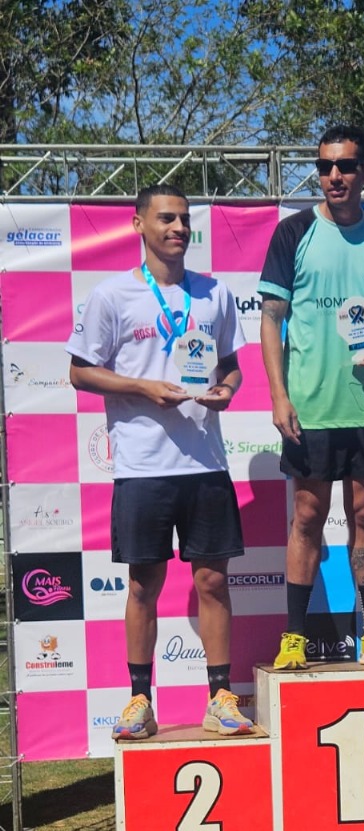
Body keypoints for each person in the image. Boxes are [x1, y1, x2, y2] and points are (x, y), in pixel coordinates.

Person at [67, 183, 252, 741]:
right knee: (143, 586)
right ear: (139, 225)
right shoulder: (112, 295)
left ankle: (220, 697)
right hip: (143, 465)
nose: (178, 228)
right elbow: (79, 371)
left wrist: (226, 390)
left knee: (212, 581)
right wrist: (142, 388)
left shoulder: (214, 293)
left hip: (205, 463)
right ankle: (139, 701)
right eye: (167, 219)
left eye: (185, 220)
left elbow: (232, 366)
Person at [258, 123, 364, 670]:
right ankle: (294, 637)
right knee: (307, 516)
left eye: (346, 165)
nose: (334, 175)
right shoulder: (293, 233)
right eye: (325, 166)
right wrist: (279, 396)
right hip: (312, 406)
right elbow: (271, 319)